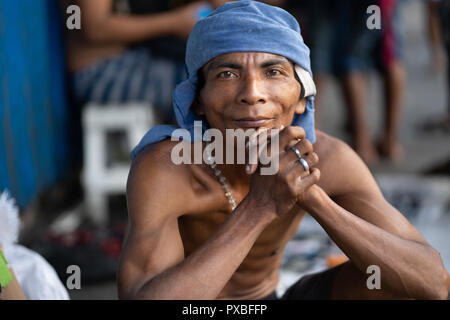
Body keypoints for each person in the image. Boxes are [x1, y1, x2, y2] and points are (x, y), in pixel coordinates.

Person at [117, 1, 450, 300]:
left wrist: (310, 194)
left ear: (303, 98)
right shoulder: (166, 168)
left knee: (390, 282)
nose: (252, 93)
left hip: (270, 297)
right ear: (198, 101)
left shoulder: (330, 159)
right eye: (227, 74)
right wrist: (260, 206)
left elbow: (433, 283)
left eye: (273, 72)